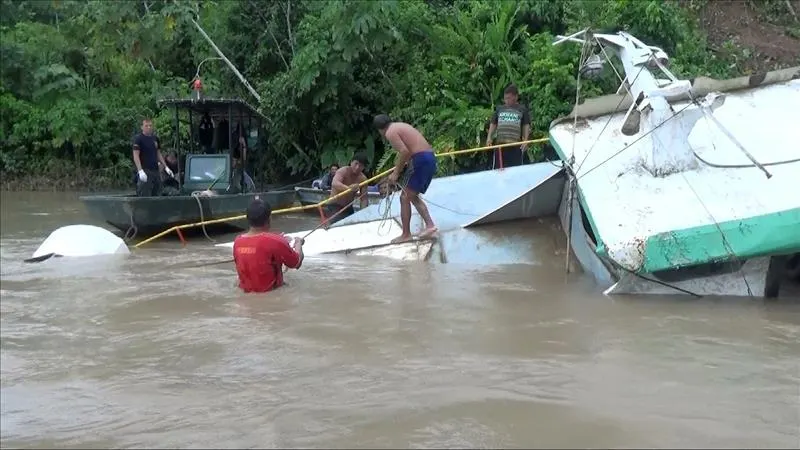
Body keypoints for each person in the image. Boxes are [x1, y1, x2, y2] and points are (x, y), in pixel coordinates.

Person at [373, 114, 438, 243]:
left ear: (380, 129)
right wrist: (401, 167)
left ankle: (406, 234)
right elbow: (409, 151)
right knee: (411, 196)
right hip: (429, 158)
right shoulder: (400, 126)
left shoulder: (390, 132)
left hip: (421, 159)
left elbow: (404, 151)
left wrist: (396, 173)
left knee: (404, 197)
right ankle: (430, 225)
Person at [233, 198, 305, 293]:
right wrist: (298, 243)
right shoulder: (275, 241)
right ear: (269, 218)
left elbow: (257, 250)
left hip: (245, 296)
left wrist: (279, 241)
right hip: (273, 294)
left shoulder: (238, 242)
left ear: (248, 219)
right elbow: (296, 263)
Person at [485, 84, 531, 168]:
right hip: (500, 146)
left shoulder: (522, 109)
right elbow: (493, 123)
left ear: (516, 97)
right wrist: (489, 138)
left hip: (515, 146)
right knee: (498, 170)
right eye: (505, 98)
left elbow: (526, 125)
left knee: (515, 170)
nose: (506, 100)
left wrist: (526, 140)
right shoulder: (500, 109)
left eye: (509, 98)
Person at [132, 118, 173, 197]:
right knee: (145, 194)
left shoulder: (155, 139)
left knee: (157, 193)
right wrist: (140, 171)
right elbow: (136, 156)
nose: (149, 127)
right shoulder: (138, 139)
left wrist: (166, 167)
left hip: (155, 170)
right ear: (142, 127)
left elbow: (158, 153)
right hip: (145, 171)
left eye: (150, 126)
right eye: (146, 126)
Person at [325, 154, 368, 225]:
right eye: (356, 163)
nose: (357, 167)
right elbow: (335, 183)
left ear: (363, 167)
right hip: (334, 205)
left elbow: (364, 198)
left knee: (352, 225)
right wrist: (348, 188)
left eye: (360, 165)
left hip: (348, 206)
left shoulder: (363, 179)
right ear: (351, 162)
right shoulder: (343, 171)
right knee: (335, 226)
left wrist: (364, 212)